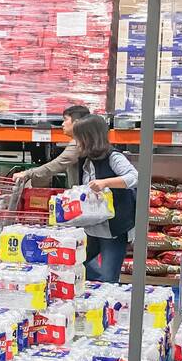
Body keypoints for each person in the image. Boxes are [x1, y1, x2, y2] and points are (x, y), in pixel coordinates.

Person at [70, 113, 137, 283]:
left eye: (78, 138)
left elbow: (135, 177)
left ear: (89, 138)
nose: (76, 143)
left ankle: (107, 300)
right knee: (73, 265)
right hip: (90, 227)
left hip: (113, 228)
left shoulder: (113, 156)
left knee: (108, 277)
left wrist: (105, 182)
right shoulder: (85, 159)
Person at [12, 105, 93, 187]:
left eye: (65, 120)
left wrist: (27, 173)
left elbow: (57, 164)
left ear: (76, 122)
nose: (62, 124)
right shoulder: (84, 140)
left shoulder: (79, 143)